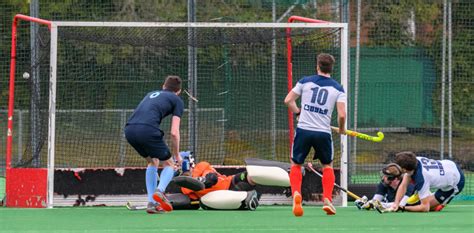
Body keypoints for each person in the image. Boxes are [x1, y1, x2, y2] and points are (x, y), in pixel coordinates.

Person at [284, 53, 346, 216]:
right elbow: (342, 115)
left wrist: (298, 113)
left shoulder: (305, 81)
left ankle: (297, 193)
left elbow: (288, 100)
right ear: (332, 68)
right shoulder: (338, 88)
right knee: (327, 166)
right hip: (323, 133)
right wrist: (341, 128)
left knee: (296, 164)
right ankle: (327, 200)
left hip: (304, 130)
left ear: (317, 66)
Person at [124, 75, 184, 214]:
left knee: (153, 162)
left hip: (129, 130)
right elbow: (174, 132)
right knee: (169, 164)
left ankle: (152, 203)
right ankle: (160, 191)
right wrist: (177, 156)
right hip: (147, 130)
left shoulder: (150, 94)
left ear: (163, 86)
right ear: (178, 91)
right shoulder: (177, 100)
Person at [170, 151, 290, 211]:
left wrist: (201, 181)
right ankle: (247, 199)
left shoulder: (201, 166)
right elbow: (194, 203)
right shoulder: (184, 187)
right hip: (222, 196)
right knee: (241, 196)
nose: (175, 166)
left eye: (177, 163)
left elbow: (212, 178)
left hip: (231, 182)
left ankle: (287, 179)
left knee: (251, 176)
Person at [390, 151, 465, 212]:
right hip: (448, 165)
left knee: (429, 208)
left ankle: (439, 202)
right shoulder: (415, 160)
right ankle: (424, 194)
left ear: (404, 169)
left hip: (455, 182)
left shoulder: (421, 179)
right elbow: (403, 185)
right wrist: (396, 203)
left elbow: (425, 208)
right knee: (416, 204)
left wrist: (403, 208)